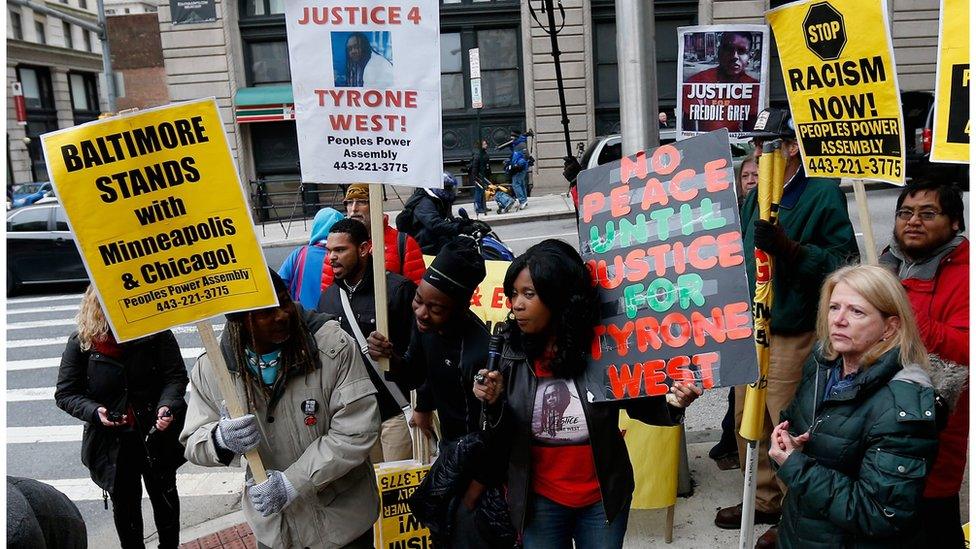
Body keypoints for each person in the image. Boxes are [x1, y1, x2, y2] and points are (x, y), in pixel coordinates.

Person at [472, 240, 702, 549]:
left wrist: (672, 402)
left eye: (529, 294)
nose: (517, 304)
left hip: (602, 498)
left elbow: (638, 402)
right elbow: (496, 441)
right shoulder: (507, 353)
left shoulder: (603, 349)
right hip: (538, 501)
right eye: (513, 294)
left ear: (559, 297)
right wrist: (493, 402)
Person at [716, 107, 859, 547]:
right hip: (750, 324)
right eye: (756, 145)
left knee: (784, 417)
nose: (759, 153)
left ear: (793, 147)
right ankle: (762, 496)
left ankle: (793, 506)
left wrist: (793, 250)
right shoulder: (753, 195)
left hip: (791, 327)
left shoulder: (820, 194)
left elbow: (843, 263)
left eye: (769, 144)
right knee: (747, 417)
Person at [180, 270, 380, 549]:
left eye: (284, 301)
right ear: (241, 320)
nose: (282, 315)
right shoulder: (214, 368)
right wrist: (220, 439)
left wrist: (292, 483)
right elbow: (193, 441)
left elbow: (357, 432)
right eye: (266, 311)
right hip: (277, 530)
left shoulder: (332, 346)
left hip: (343, 525)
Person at [771, 265, 942, 547]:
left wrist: (796, 465)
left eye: (856, 311)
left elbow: (881, 513)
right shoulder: (823, 363)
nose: (838, 320)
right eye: (834, 307)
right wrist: (789, 443)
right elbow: (797, 423)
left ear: (890, 327)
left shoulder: (901, 407)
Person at [367, 236, 492, 547]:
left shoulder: (480, 349)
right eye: (419, 300)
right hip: (449, 455)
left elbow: (498, 431)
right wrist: (388, 356)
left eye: (435, 307)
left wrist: (475, 489)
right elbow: (413, 373)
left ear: (462, 306)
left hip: (481, 470)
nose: (421, 312)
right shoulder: (425, 327)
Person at [55, 285, 188, 549]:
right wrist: (95, 412)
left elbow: (175, 376)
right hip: (113, 445)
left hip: (155, 436)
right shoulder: (83, 342)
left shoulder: (156, 333)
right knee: (125, 510)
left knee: (166, 501)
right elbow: (66, 393)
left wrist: (167, 406)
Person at [879, 180, 969, 547]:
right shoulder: (887, 260)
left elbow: (966, 348)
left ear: (954, 224)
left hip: (936, 427)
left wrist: (908, 309)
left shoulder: (966, 273)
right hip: (882, 417)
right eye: (905, 212)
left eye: (927, 213)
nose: (913, 221)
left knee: (932, 520)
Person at [318, 218, 417, 462]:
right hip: (354, 420)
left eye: (340, 250)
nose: (332, 257)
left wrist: (391, 356)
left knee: (399, 495)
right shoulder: (328, 299)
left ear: (363, 249)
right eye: (329, 250)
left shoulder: (396, 290)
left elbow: (421, 358)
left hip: (395, 411)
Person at [322, 184, 424, 290]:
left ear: (376, 204)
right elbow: (329, 294)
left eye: (362, 202)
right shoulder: (336, 245)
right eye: (349, 202)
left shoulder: (404, 242)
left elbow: (417, 293)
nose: (354, 209)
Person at [684, 32, 759, 134]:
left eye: (741, 51)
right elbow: (688, 130)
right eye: (729, 49)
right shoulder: (696, 82)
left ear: (750, 56)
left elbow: (751, 134)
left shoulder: (754, 87)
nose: (735, 56)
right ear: (719, 52)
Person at [278, 207, 344, 310]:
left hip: (305, 319)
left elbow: (278, 284)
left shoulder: (299, 254)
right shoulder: (348, 255)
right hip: (336, 319)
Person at [397, 172, 464, 255]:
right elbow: (434, 223)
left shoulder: (439, 201)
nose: (451, 191)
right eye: (448, 188)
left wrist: (466, 223)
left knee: (468, 243)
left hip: (435, 238)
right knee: (460, 251)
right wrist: (461, 228)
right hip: (425, 244)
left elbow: (447, 220)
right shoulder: (425, 202)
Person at [505, 130, 532, 210]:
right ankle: (524, 200)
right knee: (521, 184)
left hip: (520, 168)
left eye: (512, 137)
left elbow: (526, 156)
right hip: (517, 168)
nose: (511, 138)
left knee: (516, 184)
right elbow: (515, 154)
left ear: (516, 137)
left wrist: (518, 164)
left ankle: (522, 201)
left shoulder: (521, 144)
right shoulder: (516, 144)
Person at [468, 139, 492, 215]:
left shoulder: (484, 153)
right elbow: (475, 167)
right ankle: (478, 208)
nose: (486, 145)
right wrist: (475, 178)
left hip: (484, 176)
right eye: (484, 144)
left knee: (483, 192)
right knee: (479, 192)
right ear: (480, 146)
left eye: (486, 144)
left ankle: (483, 206)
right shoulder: (478, 155)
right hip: (479, 177)